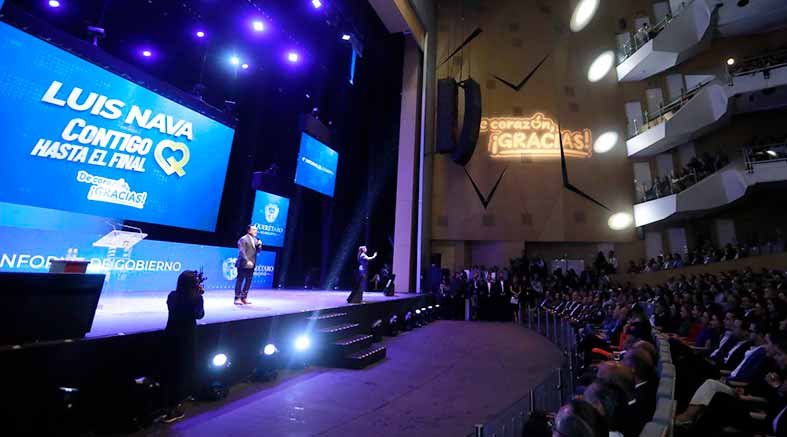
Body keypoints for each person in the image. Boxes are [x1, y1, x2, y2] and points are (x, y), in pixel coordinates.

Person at [160, 270, 206, 423]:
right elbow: (199, 315)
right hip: (186, 338)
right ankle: (174, 407)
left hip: (170, 335)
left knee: (169, 371)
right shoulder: (196, 298)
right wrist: (199, 296)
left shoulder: (172, 295)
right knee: (181, 372)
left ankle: (166, 405)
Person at [234, 225, 262, 305]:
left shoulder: (256, 240)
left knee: (248, 281)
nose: (256, 231)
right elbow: (242, 251)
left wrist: (259, 245)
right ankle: (237, 298)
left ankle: (244, 297)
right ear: (249, 230)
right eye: (254, 229)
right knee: (240, 280)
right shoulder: (243, 239)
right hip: (243, 263)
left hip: (252, 264)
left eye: (256, 229)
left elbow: (258, 251)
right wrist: (247, 261)